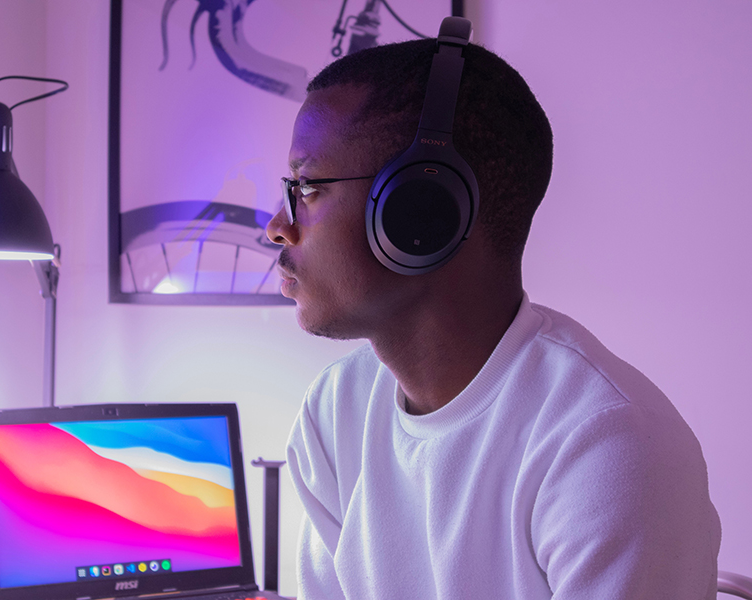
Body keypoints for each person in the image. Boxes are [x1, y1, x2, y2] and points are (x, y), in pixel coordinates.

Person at [265, 23, 720, 600]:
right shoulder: (334, 413)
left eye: (306, 188)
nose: (277, 227)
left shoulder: (606, 445)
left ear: (419, 212)